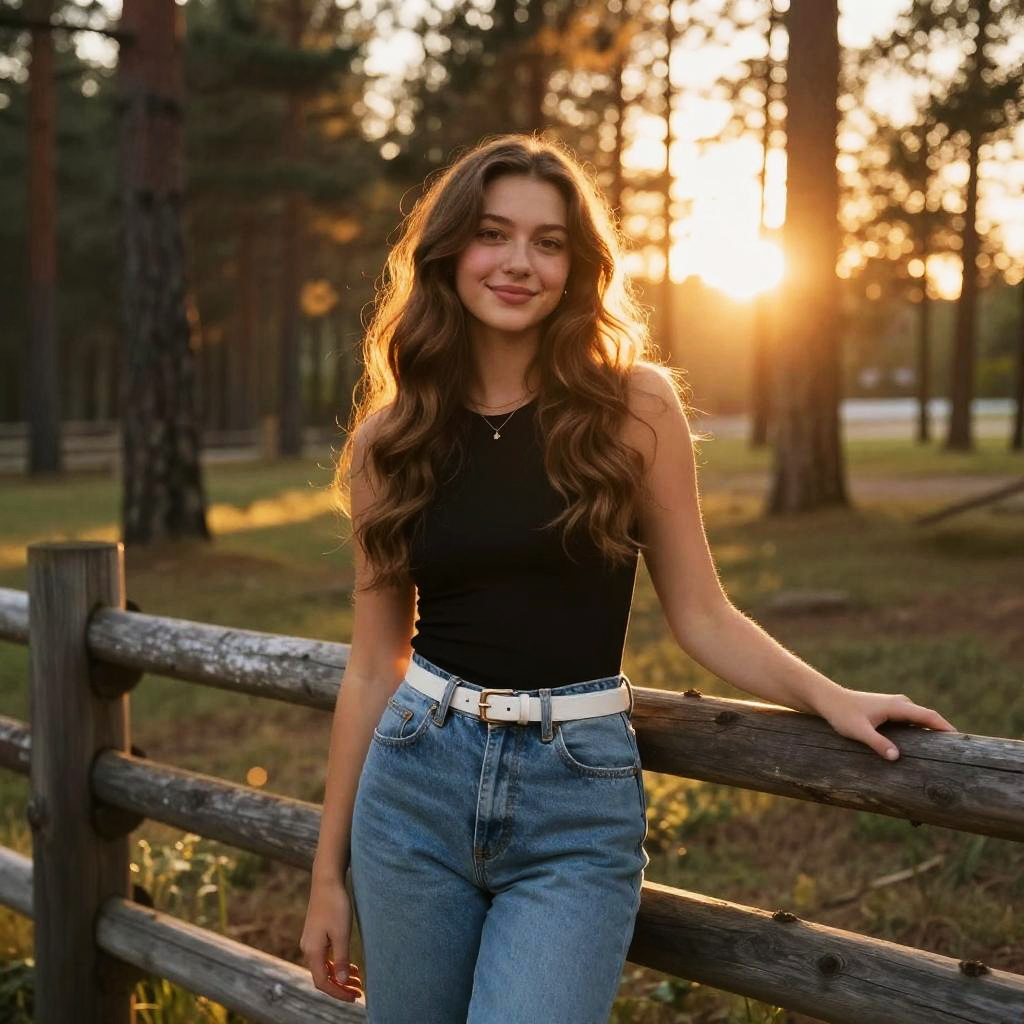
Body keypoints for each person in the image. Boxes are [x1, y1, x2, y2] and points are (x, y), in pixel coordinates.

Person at [300, 133, 958, 1023]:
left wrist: (829, 697)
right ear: (451, 251)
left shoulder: (632, 408)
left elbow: (703, 613)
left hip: (574, 796)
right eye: (495, 234)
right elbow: (374, 664)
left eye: (549, 241)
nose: (519, 262)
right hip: (415, 781)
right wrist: (326, 877)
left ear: (578, 266)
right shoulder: (391, 439)